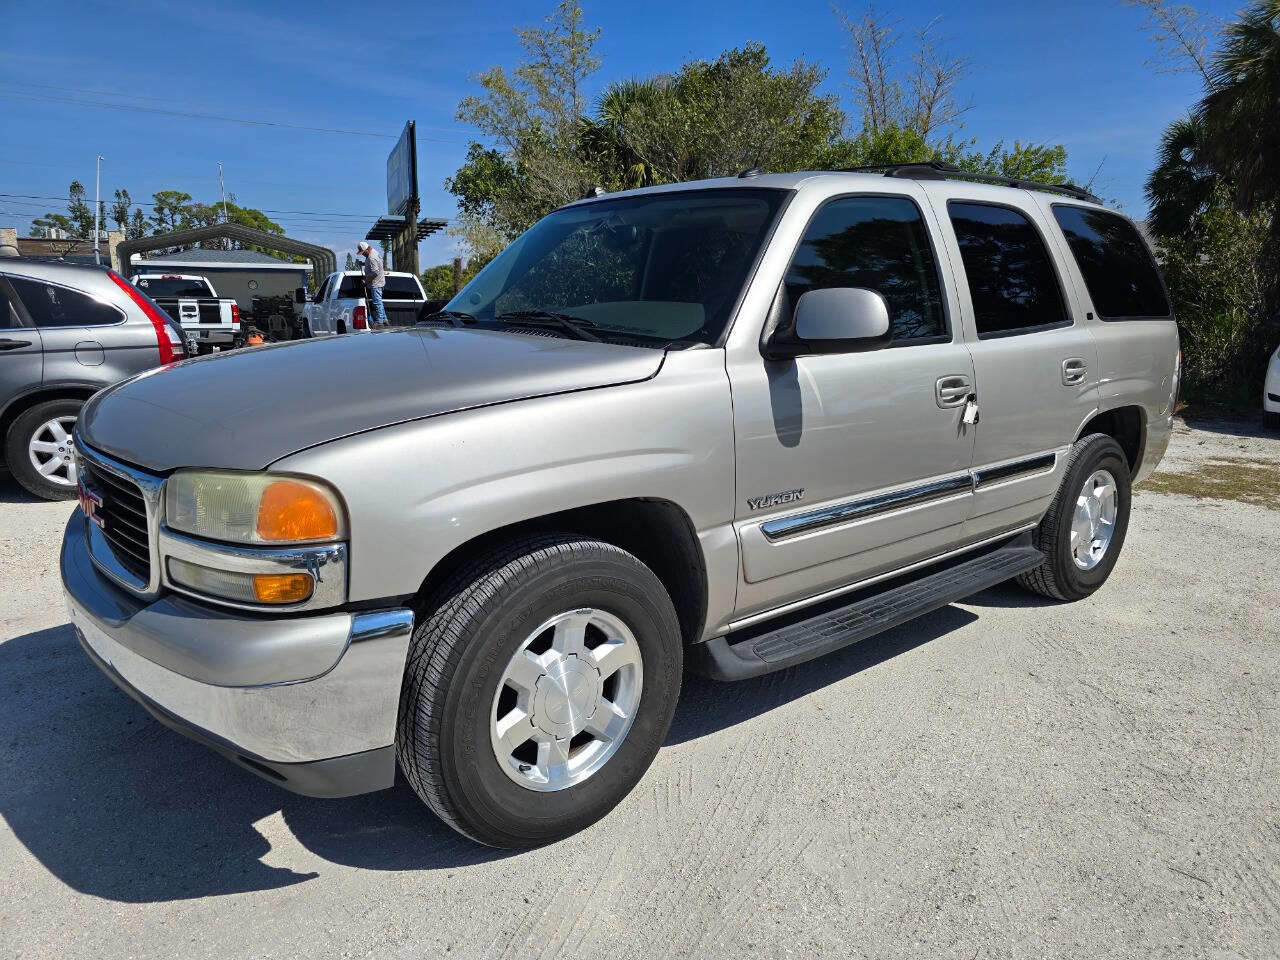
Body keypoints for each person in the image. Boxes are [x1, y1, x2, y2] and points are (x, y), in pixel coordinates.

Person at [356, 240, 388, 327]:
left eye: (363, 252)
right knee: (379, 301)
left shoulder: (371, 257)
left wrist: (366, 280)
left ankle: (380, 321)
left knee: (377, 302)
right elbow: (372, 265)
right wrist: (363, 264)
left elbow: (375, 272)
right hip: (379, 281)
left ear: (366, 250)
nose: (362, 254)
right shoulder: (373, 253)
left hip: (376, 283)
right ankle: (384, 319)